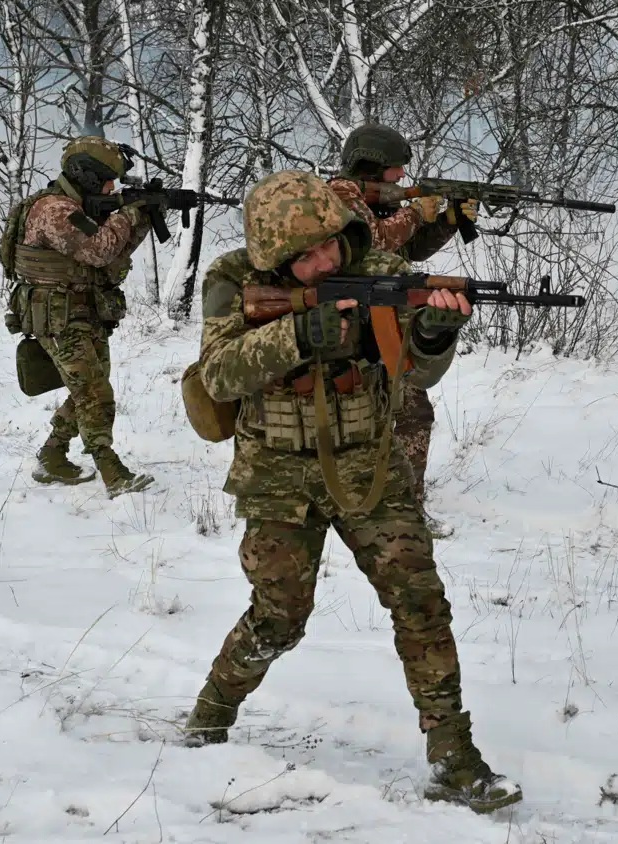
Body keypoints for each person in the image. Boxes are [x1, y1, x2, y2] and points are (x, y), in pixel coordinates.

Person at [182, 169, 520, 813]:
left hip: (369, 466)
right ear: (271, 255)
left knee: (420, 600)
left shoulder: (384, 268)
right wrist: (300, 335)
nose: (322, 262)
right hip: (277, 473)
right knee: (280, 618)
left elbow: (415, 370)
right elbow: (220, 373)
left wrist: (433, 333)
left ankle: (453, 755)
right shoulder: (232, 280)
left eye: (330, 247)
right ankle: (211, 713)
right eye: (302, 257)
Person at [326, 123, 478, 538]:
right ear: (371, 165)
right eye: (394, 169)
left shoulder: (372, 199)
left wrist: (446, 220)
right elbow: (372, 244)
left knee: (410, 409)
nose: (401, 177)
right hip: (345, 324)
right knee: (388, 411)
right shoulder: (341, 195)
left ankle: (406, 505)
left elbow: (408, 249)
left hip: (379, 317)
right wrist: (416, 211)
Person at [2, 136, 153, 498]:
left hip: (79, 311)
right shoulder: (54, 211)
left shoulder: (74, 205)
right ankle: (111, 469)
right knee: (94, 391)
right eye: (106, 181)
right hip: (56, 317)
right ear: (85, 176)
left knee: (91, 383)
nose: (112, 188)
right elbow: (99, 250)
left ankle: (53, 455)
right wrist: (130, 213)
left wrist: (145, 217)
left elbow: (113, 251)